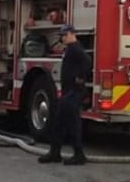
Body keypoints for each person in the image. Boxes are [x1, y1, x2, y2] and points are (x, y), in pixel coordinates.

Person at [38, 24, 91, 165]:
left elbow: (87, 61)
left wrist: (80, 77)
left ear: (70, 34)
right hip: (68, 92)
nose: (61, 39)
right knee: (58, 122)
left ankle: (79, 155)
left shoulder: (75, 49)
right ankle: (55, 153)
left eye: (63, 36)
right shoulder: (70, 49)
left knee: (73, 124)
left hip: (73, 92)